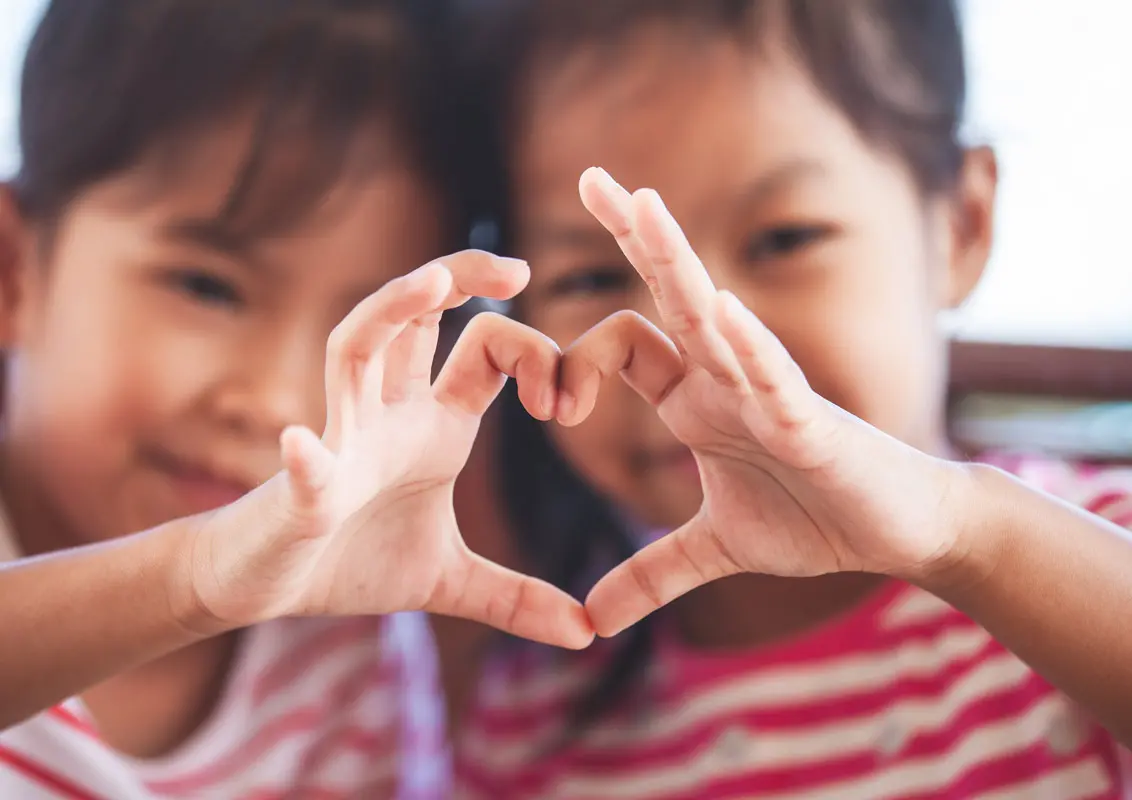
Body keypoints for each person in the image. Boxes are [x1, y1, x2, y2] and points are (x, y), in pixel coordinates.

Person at [450, 1, 1132, 796]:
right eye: (592, 278)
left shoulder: (1094, 557)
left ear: (961, 226)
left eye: (784, 239)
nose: (696, 341)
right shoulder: (534, 724)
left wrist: (964, 540)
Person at [0, 1, 590, 797]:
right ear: (14, 269)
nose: (276, 401)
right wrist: (193, 579)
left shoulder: (349, 657)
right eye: (208, 287)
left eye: (372, 329)